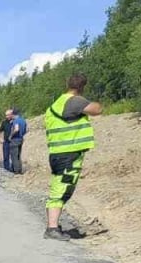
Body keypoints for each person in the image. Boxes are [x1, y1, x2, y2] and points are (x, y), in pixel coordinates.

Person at [44, 74, 102, 241]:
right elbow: (97, 109)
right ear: (82, 87)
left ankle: (52, 225)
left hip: (57, 153)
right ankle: (52, 228)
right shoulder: (73, 102)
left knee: (57, 187)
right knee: (62, 190)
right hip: (68, 154)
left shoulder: (56, 104)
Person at [8, 108, 27, 174]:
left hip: (15, 140)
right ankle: (20, 170)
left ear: (13, 114)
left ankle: (16, 171)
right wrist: (21, 135)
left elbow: (16, 129)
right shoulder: (23, 120)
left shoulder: (16, 121)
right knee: (18, 155)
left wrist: (11, 136)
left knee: (14, 156)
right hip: (21, 139)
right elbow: (25, 130)